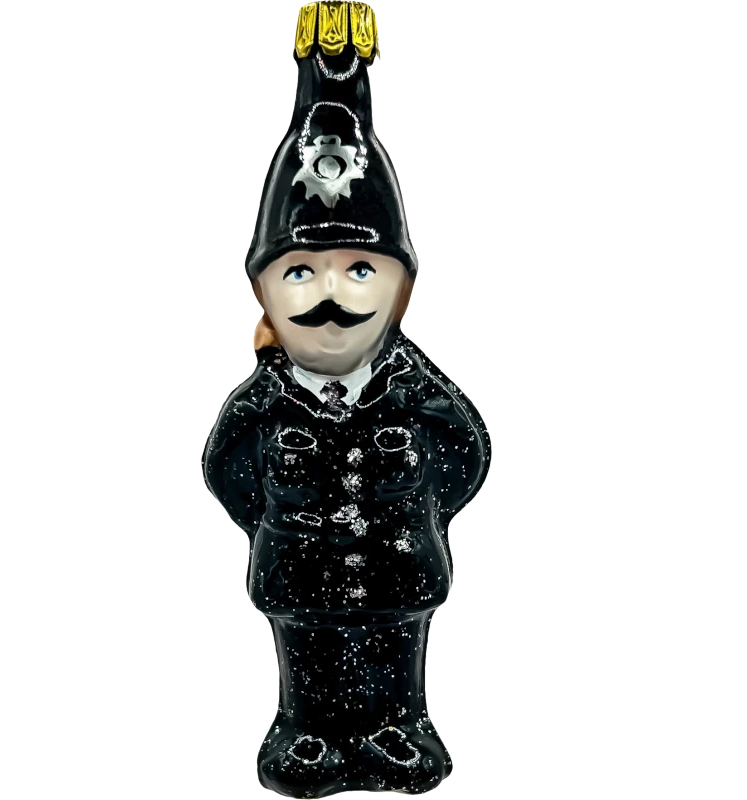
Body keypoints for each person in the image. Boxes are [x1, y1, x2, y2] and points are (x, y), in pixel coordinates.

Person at [205, 3, 486, 795]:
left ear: (400, 289)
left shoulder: (418, 399)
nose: (331, 295)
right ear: (264, 294)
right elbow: (232, 479)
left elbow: (460, 465)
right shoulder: (261, 408)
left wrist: (416, 514)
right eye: (300, 272)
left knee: (395, 651)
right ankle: (311, 732)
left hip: (398, 570)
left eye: (360, 271)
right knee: (310, 653)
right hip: (299, 571)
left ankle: (393, 726)